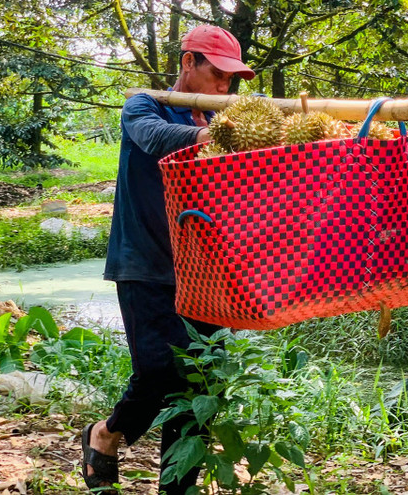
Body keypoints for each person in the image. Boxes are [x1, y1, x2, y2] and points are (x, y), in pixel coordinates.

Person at [80, 25, 255, 495]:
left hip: (207, 270)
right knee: (157, 371)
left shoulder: (220, 121)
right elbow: (155, 138)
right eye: (216, 74)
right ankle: (105, 434)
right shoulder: (144, 105)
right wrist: (221, 133)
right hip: (144, 262)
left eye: (231, 80)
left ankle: (176, 489)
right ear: (187, 64)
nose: (224, 87)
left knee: (202, 384)